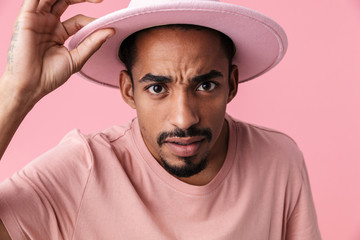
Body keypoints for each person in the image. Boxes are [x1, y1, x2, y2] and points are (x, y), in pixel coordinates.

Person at [0, 0, 322, 239]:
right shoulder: (85, 169)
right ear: (128, 90)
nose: (184, 119)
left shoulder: (280, 161)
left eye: (205, 85)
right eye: (157, 87)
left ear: (232, 84)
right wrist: (16, 92)